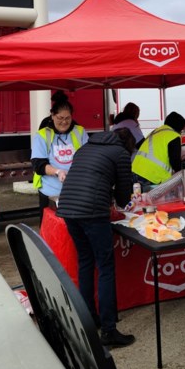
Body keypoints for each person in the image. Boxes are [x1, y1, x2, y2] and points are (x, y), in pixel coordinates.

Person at [56, 127, 137, 348]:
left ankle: (90, 318)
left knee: (86, 261)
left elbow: (88, 177)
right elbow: (123, 193)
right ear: (128, 143)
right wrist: (122, 201)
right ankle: (109, 331)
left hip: (68, 208)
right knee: (105, 266)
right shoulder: (120, 153)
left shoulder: (85, 148)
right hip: (92, 212)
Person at [31, 94, 88, 224]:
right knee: (51, 230)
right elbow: (38, 165)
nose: (64, 122)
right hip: (51, 192)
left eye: (67, 118)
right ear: (52, 115)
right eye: (60, 118)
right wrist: (58, 172)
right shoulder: (42, 135)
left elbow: (88, 157)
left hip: (76, 190)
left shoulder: (80, 131)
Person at [132, 112, 185, 188]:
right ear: (178, 127)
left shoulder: (155, 132)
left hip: (135, 171)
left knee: (137, 198)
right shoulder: (173, 135)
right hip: (151, 176)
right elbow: (175, 161)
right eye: (182, 130)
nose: (181, 133)